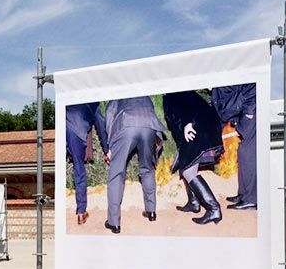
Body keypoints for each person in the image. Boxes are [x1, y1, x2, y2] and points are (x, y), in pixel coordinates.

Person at [104, 96, 166, 233]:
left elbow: (109, 114)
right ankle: (151, 211)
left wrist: (109, 146)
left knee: (117, 173)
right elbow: (150, 109)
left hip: (126, 124)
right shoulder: (144, 92)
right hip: (148, 126)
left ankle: (114, 223)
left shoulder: (119, 90)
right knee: (147, 169)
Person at [162, 91, 225, 224]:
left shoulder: (174, 91)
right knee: (186, 165)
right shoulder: (169, 94)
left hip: (196, 127)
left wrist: (187, 123)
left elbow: (186, 105)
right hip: (199, 126)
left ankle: (213, 209)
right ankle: (194, 203)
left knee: (188, 171)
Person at [211, 83, 257, 210]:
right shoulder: (215, 88)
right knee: (242, 153)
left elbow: (251, 86)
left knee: (247, 153)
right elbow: (222, 111)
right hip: (240, 115)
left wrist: (249, 111)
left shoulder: (225, 73)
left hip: (250, 114)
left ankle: (251, 199)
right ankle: (243, 194)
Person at [66, 103, 109, 225]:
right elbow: (100, 125)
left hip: (63, 127)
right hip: (76, 131)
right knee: (79, 169)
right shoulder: (93, 101)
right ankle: (81, 212)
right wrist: (106, 150)